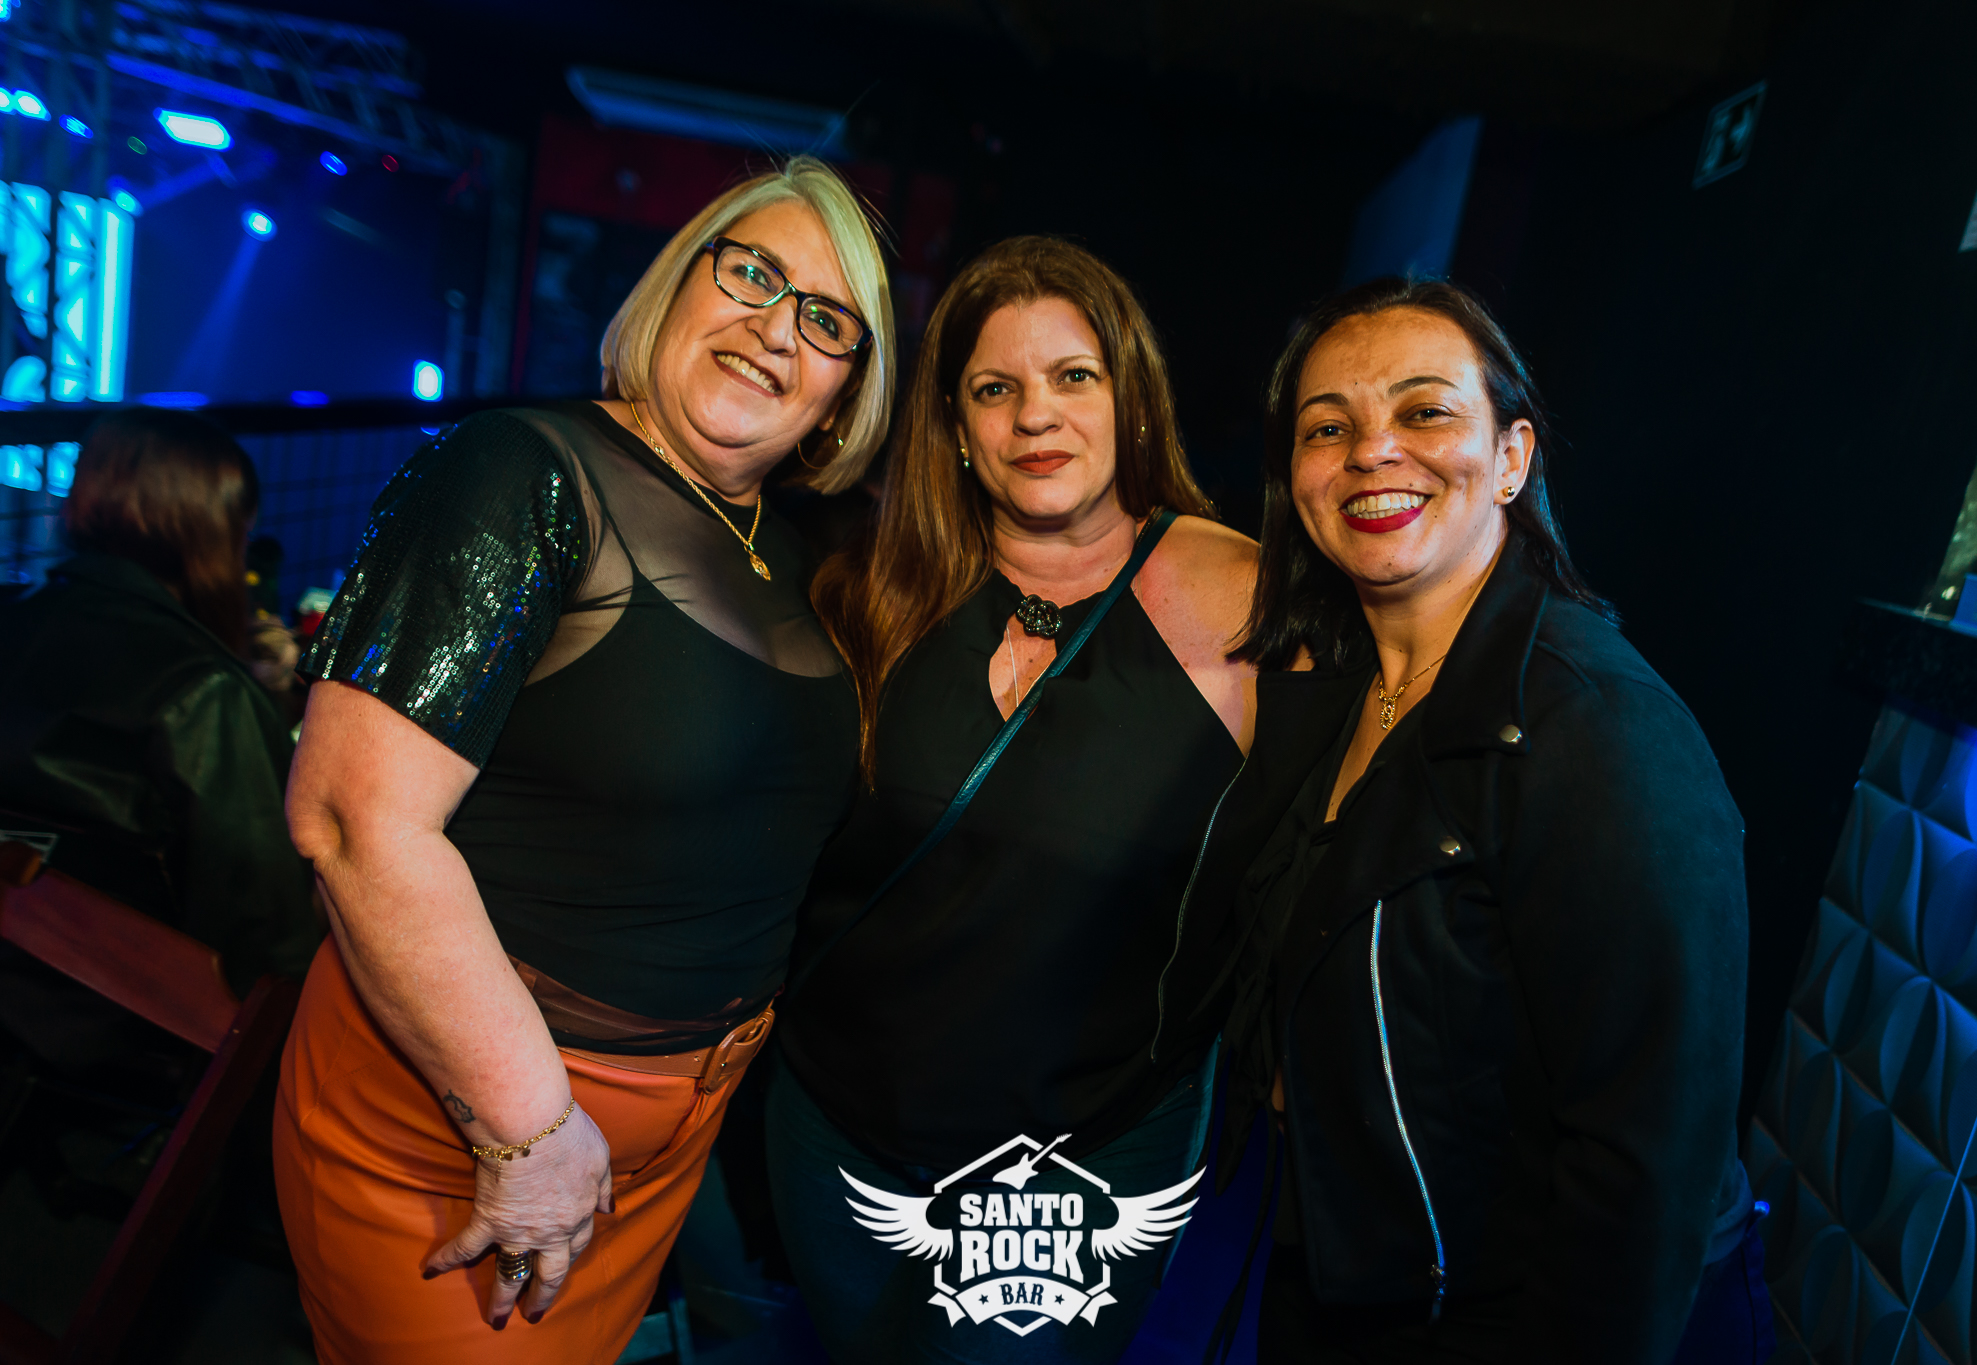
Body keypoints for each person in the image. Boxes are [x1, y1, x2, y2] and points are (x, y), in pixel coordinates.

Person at [273, 156, 895, 1363]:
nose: (777, 328)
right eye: (754, 274)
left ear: (842, 395)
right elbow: (350, 820)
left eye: (827, 321)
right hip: (469, 1133)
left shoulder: (792, 553)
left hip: (661, 1149)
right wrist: (526, 1127)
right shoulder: (518, 470)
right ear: (677, 283)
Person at [1160, 277, 1766, 1363]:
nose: (1371, 451)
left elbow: (1645, 1164)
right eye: (1326, 427)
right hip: (1346, 1283)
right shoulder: (1337, 689)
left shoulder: (1599, 729)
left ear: (1511, 457)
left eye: (1424, 411)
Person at [767, 236, 1260, 1362]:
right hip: (836, 1126)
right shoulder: (871, 595)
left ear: (1130, 400)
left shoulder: (1241, 597)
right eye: (996, 389)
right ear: (954, 425)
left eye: (1073, 377)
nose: (1035, 415)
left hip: (1076, 1159)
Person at [0, 408, 319, 1057]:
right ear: (213, 531)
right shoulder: (202, 692)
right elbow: (270, 946)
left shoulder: (14, 621)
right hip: (135, 1060)